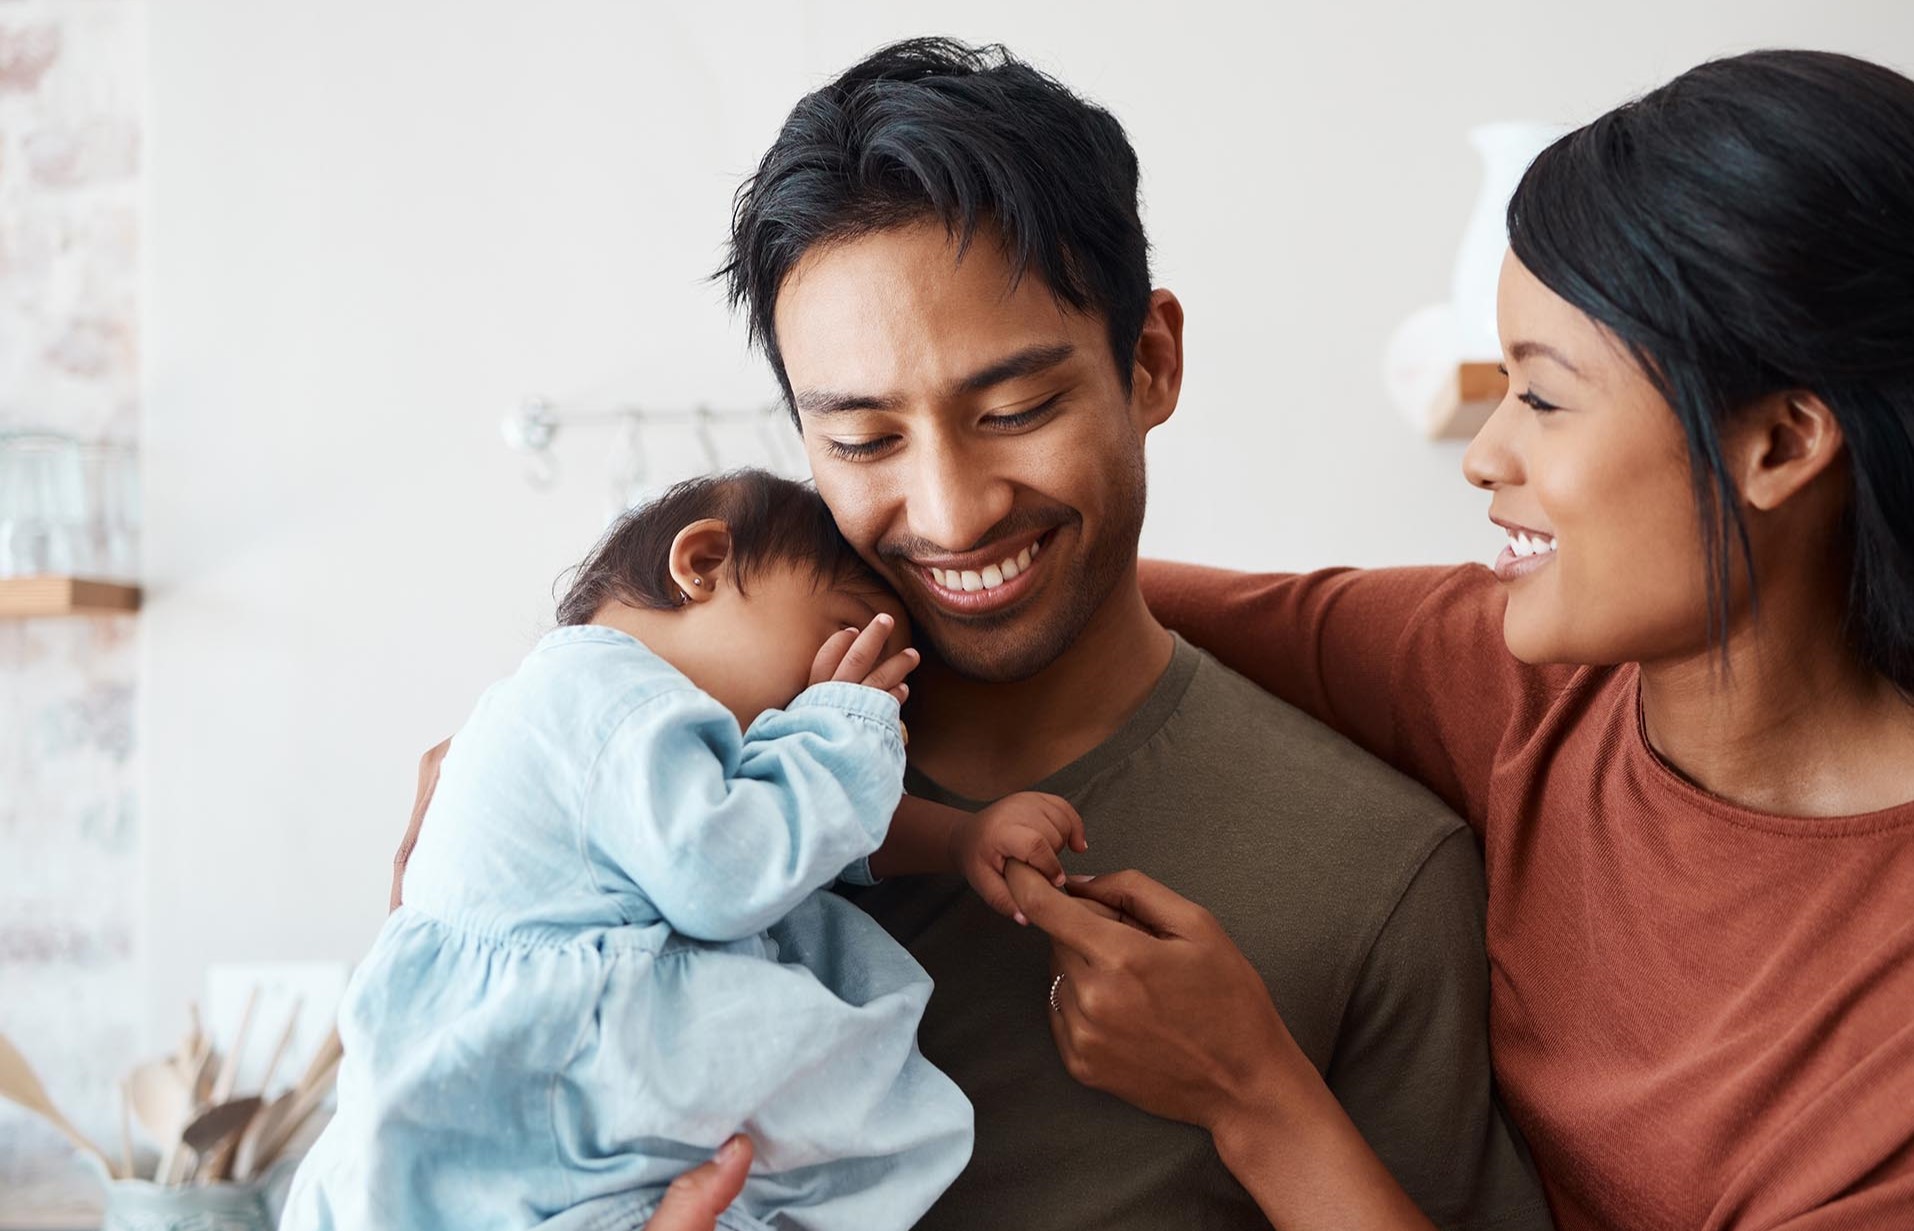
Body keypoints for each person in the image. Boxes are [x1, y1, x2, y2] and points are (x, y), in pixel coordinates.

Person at [398, 36, 1550, 1231]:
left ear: (1149, 361)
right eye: (862, 441)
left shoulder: (1368, 875)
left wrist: (1255, 1098)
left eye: (1015, 409)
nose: (951, 511)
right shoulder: (618, 784)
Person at [1003, 48, 1914, 1230]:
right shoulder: (1519, 679)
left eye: (1540, 395)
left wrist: (1254, 1098)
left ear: (1783, 444)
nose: (1485, 457)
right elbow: (1096, 598)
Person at [298, 470, 1102, 1230]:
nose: (845, 682)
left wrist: (960, 835)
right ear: (704, 563)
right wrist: (837, 726)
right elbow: (728, 867)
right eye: (845, 639)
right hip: (544, 1139)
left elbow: (807, 829)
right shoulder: (602, 695)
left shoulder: (615, 731)